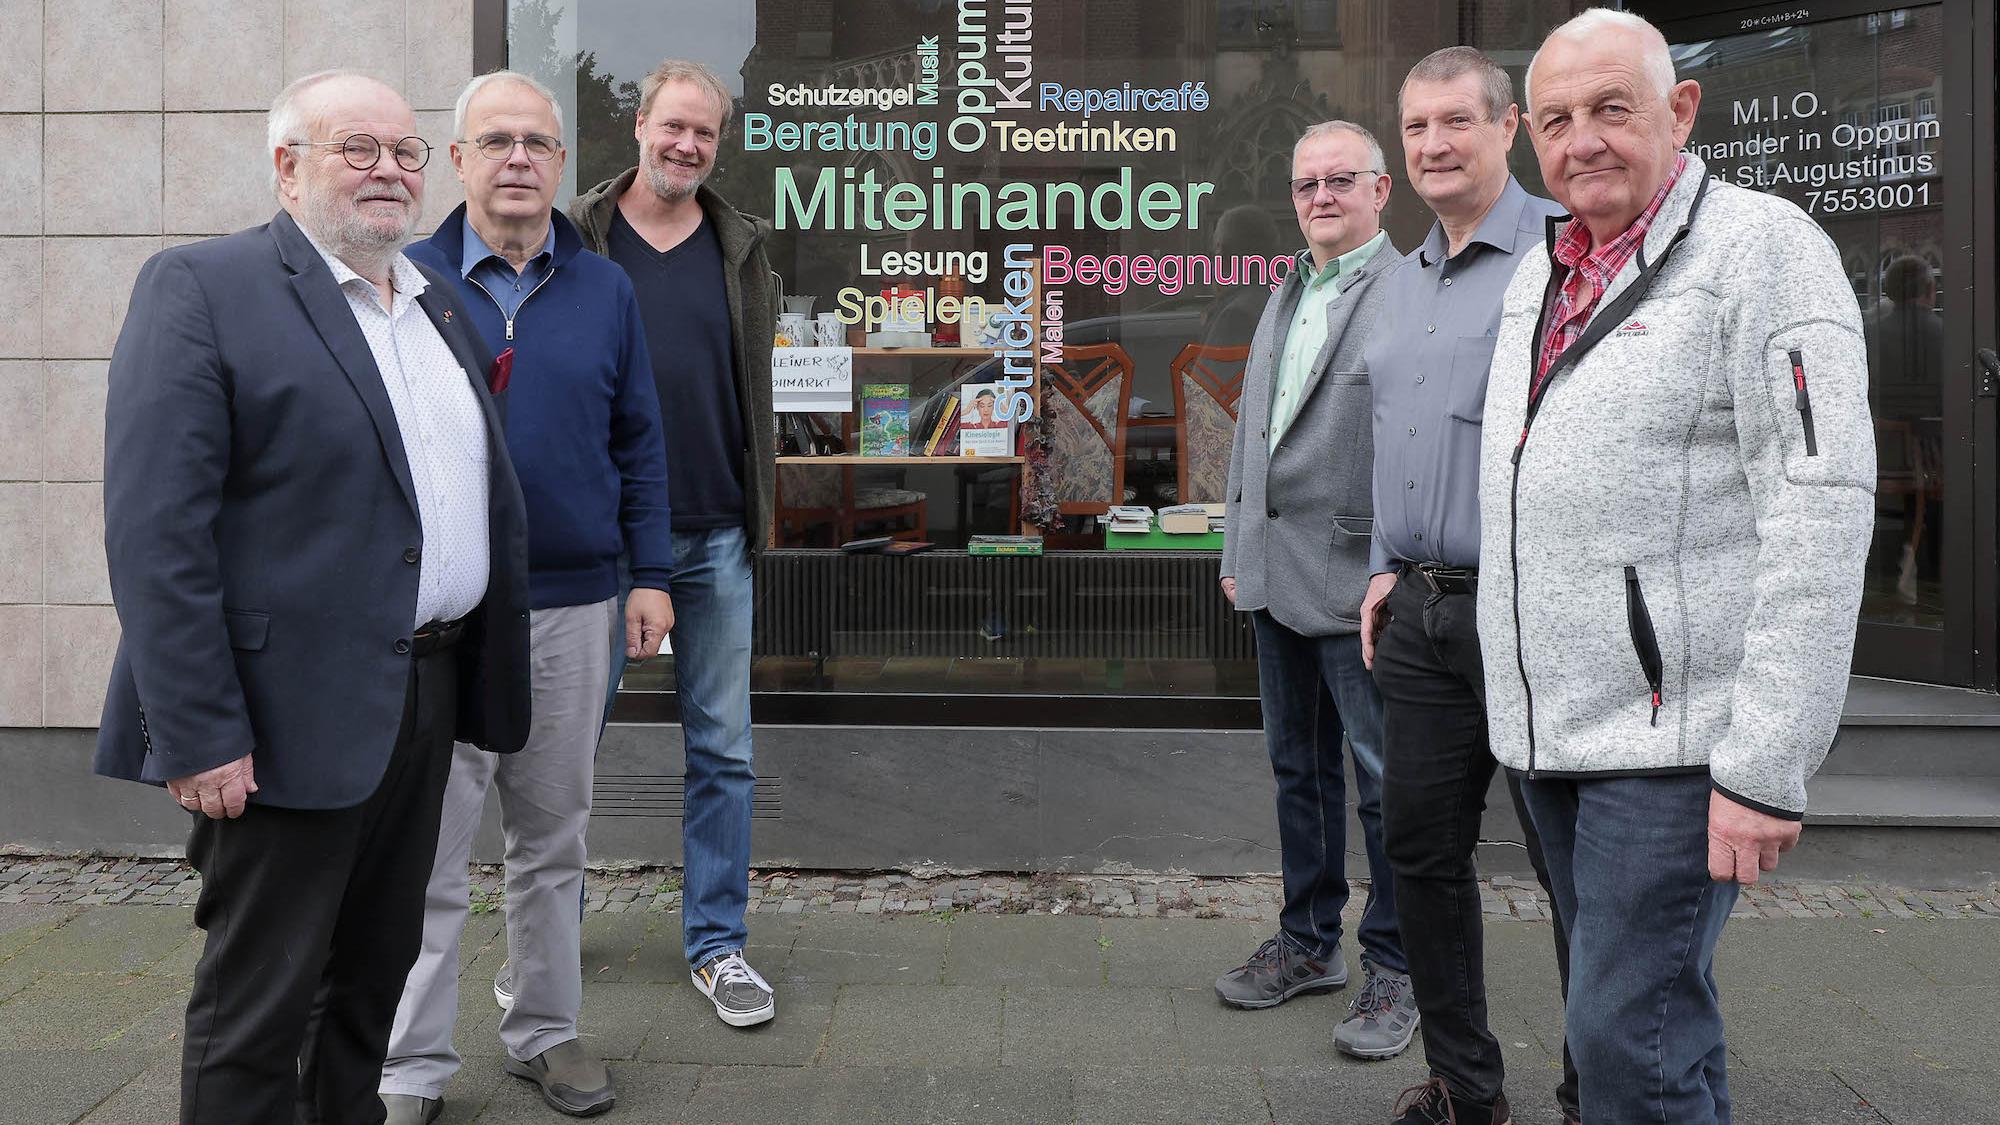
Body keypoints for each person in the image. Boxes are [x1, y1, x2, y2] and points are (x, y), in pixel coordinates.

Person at [94, 70, 531, 1124]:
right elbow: (158, 535)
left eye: (405, 151)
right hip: (279, 717)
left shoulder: (432, 304)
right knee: (259, 1010)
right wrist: (198, 733)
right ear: (287, 167)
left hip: (421, 699)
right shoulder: (204, 287)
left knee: (369, 986)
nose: (388, 170)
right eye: (357, 149)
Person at [1478, 10, 1873, 1122]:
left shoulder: (1762, 250)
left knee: (1621, 1044)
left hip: (1674, 742)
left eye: (1611, 108)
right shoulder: (1539, 273)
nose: (1580, 140)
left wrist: (1764, 765)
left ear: (1680, 110)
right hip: (1550, 732)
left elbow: (1820, 504)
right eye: (1554, 119)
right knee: (1651, 1024)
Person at [376, 72, 675, 1123]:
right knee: (429, 848)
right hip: (442, 620)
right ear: (454, 161)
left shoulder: (605, 291)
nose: (516, 158)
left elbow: (639, 441)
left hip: (573, 603)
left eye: (537, 142)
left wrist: (649, 575)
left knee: (552, 839)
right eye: (493, 139)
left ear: (560, 163)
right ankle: (408, 1066)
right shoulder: (397, 283)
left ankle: (544, 1031)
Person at [1357, 47, 1576, 1125]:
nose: (1434, 144)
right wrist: (1379, 567)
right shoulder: (1395, 280)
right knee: (1418, 855)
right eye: (1416, 129)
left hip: (1532, 608)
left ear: (1508, 130)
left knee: (1568, 863)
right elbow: (1385, 434)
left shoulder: (1565, 257)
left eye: (1455, 122)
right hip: (1419, 611)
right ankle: (1464, 1087)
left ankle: (1603, 1083)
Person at [567, 57, 781, 1028]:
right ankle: (545, 938)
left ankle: (715, 946)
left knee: (723, 753)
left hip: (715, 537)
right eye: (673, 126)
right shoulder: (576, 240)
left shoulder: (739, 248)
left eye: (704, 133)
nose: (687, 145)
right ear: (639, 125)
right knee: (562, 751)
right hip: (596, 548)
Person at [1216, 121, 1418, 1060]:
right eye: (1307, 184)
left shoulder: (1411, 290)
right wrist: (1234, 547)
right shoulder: (1287, 290)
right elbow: (1252, 434)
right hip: (1271, 576)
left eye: (1342, 180)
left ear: (1383, 190)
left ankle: (1399, 967)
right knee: (1299, 773)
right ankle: (1307, 943)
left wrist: (1394, 562)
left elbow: (1418, 452)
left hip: (1357, 584)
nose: (1321, 196)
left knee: (1383, 786)